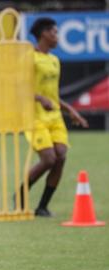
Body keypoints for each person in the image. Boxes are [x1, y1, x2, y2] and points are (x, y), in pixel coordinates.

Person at [21, 18, 89, 217]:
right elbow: (19, 88)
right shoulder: (29, 58)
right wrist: (39, 98)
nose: (57, 37)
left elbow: (53, 95)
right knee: (49, 159)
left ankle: (42, 206)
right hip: (34, 117)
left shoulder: (54, 60)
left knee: (61, 156)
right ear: (44, 34)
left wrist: (70, 110)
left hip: (55, 117)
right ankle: (20, 194)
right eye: (55, 33)